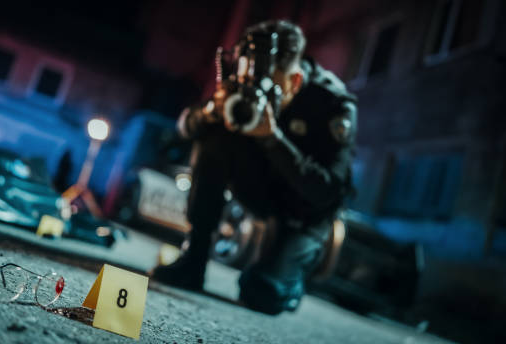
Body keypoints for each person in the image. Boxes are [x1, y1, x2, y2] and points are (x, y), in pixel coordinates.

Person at [150, 20, 357, 315]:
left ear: (295, 81)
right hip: (261, 187)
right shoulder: (245, 78)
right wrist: (212, 110)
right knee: (214, 135)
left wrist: (273, 138)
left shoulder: (333, 104)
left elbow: (327, 192)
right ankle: (194, 257)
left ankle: (292, 278)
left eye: (268, 89)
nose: (256, 95)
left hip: (305, 212)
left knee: (262, 294)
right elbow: (186, 127)